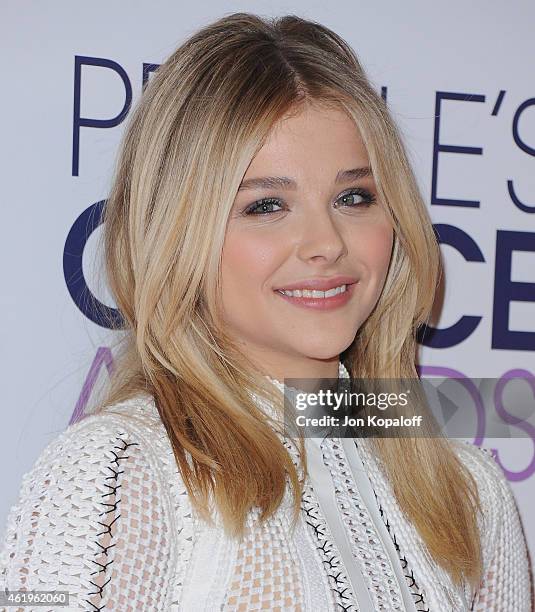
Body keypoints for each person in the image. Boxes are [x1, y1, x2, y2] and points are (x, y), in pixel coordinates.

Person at [1, 11, 532, 612]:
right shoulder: (120, 475)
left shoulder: (469, 492)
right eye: (267, 205)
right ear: (178, 231)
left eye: (353, 197)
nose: (326, 242)